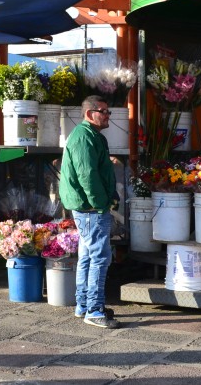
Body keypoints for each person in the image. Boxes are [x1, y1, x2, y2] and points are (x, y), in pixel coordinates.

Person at [58, 95, 120, 329]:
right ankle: (94, 310)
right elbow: (88, 176)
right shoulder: (84, 137)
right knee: (100, 258)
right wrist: (101, 204)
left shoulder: (91, 135)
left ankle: (83, 305)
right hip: (91, 208)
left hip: (88, 206)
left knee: (87, 257)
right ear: (88, 113)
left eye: (108, 111)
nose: (107, 116)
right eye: (103, 111)